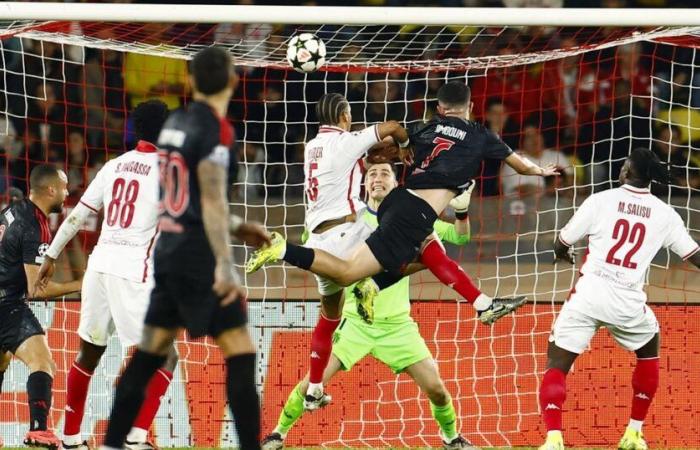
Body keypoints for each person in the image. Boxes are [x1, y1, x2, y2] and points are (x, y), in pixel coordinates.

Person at [247, 81, 558, 325]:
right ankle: (282, 248)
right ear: (471, 107)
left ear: (439, 108)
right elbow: (520, 166)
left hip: (400, 202)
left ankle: (479, 304)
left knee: (430, 251)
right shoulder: (482, 135)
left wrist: (393, 151)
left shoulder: (427, 127)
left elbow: (391, 147)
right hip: (414, 212)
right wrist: (540, 170)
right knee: (345, 275)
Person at [98, 46, 270, 450]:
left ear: (190, 82)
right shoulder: (217, 129)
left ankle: (110, 444)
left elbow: (181, 196)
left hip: (168, 253)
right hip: (199, 259)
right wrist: (225, 266)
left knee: (147, 357)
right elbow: (209, 197)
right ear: (233, 80)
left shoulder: (174, 122)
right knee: (241, 356)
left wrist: (238, 224)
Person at [261, 161, 478, 450]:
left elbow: (461, 236)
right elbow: (314, 240)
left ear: (395, 183)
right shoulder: (350, 221)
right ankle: (278, 434)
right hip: (356, 323)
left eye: (385, 173)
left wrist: (461, 211)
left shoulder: (410, 218)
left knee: (437, 390)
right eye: (372, 174)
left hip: (398, 326)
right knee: (313, 381)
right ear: (364, 185)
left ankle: (451, 439)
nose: (378, 178)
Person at [538, 148, 700, 450]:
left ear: (626, 172)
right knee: (649, 349)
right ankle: (633, 433)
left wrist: (562, 252)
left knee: (557, 364)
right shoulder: (666, 214)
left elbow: (563, 240)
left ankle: (553, 439)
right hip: (627, 303)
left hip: (588, 296)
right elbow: (694, 255)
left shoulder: (601, 200)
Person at [33, 100, 173, 450]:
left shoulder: (114, 166)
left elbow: (77, 215)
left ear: (136, 130)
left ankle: (71, 438)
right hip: (131, 270)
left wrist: (51, 255)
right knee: (166, 355)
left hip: (99, 266)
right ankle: (136, 436)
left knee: (89, 354)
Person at [295, 91, 413, 410]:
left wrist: (373, 149)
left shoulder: (311, 147)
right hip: (347, 234)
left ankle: (314, 388)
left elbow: (350, 161)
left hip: (318, 240)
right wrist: (404, 145)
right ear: (344, 116)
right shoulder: (346, 141)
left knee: (329, 317)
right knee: (409, 243)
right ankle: (369, 285)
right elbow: (392, 126)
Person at [0, 165, 81, 449]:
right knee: (43, 362)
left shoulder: (13, 210)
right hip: (6, 304)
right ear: (51, 190)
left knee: (2, 362)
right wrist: (83, 283)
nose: (67, 192)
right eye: (64, 187)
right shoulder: (36, 225)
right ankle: (39, 430)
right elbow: (36, 290)